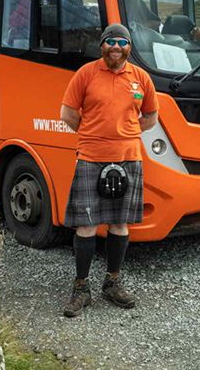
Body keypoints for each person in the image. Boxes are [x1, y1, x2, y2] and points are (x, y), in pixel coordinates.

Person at [59, 23, 158, 317]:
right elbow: (67, 114)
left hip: (129, 158)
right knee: (86, 225)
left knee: (119, 223)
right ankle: (81, 288)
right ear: (102, 45)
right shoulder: (86, 74)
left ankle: (112, 283)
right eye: (110, 41)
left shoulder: (141, 78)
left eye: (122, 41)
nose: (116, 46)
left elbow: (151, 116)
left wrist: (126, 132)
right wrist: (93, 135)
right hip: (91, 156)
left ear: (129, 46)